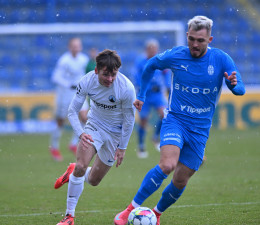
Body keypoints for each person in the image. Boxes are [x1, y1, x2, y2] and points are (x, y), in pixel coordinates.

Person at [114, 15, 245, 225]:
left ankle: (156, 214)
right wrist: (142, 95)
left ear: (209, 40)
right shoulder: (176, 55)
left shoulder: (221, 59)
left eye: (200, 40)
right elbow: (150, 66)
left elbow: (240, 88)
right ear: (187, 35)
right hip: (176, 120)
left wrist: (233, 85)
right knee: (167, 165)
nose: (195, 44)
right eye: (192, 39)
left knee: (180, 179)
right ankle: (129, 209)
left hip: (200, 130)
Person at [54, 49, 136, 225]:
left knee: (94, 180)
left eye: (113, 74)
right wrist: (81, 133)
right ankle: (69, 216)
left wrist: (122, 147)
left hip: (115, 134)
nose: (110, 79)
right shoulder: (86, 81)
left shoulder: (127, 88)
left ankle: (73, 171)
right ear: (97, 70)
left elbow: (129, 120)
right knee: (82, 165)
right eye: (106, 74)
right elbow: (72, 111)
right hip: (94, 127)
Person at [49, 37, 89, 161]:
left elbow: (87, 73)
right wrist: (68, 84)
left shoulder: (84, 59)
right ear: (69, 47)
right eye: (74, 46)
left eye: (78, 46)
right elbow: (55, 77)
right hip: (65, 94)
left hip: (79, 93)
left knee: (84, 118)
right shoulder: (64, 60)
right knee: (61, 121)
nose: (76, 48)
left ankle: (73, 143)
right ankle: (54, 146)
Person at [134, 39, 171, 158]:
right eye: (150, 48)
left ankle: (155, 137)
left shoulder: (160, 60)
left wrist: (167, 86)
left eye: (154, 48)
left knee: (165, 114)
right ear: (146, 50)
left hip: (157, 94)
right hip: (145, 94)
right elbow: (136, 75)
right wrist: (142, 86)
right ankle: (141, 146)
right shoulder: (141, 61)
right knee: (143, 121)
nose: (153, 51)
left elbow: (166, 73)